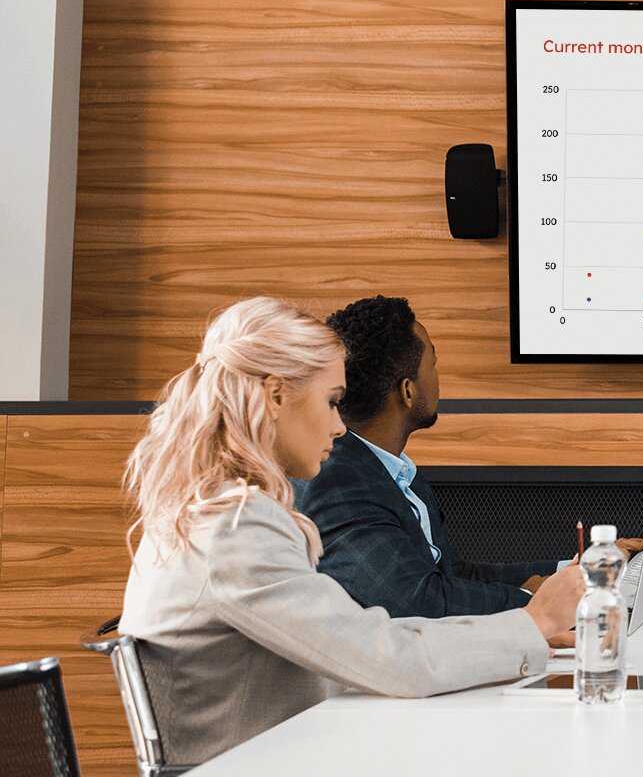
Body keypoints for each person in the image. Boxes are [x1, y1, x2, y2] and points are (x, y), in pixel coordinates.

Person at [119, 297, 584, 765]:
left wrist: (517, 631)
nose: (341, 426)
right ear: (277, 396)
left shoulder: (210, 509)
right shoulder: (236, 528)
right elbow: (385, 655)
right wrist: (532, 624)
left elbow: (366, 635)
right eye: (332, 402)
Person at [296, 295, 641, 618]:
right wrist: (541, 603)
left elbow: (453, 575)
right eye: (433, 362)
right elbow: (416, 600)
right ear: (408, 391)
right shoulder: (336, 479)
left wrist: (572, 572)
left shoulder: (390, 470)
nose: (437, 374)